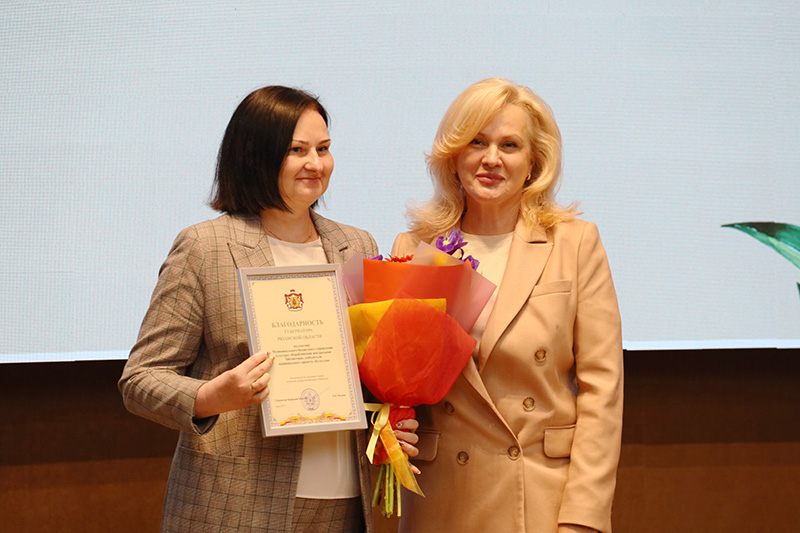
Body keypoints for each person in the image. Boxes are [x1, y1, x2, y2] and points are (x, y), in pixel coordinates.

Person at [119, 85, 418, 533]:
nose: (315, 164)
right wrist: (211, 396)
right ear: (256, 155)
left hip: (344, 500)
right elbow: (140, 379)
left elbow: (369, 368)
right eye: (297, 150)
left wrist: (389, 422)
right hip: (236, 503)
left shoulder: (355, 245)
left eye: (323, 149)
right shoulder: (205, 247)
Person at [391, 78, 623, 533]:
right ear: (453, 155)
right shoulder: (416, 247)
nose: (491, 159)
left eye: (509, 145)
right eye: (476, 142)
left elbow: (603, 391)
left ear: (534, 161)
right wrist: (391, 424)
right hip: (444, 501)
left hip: (542, 501)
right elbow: (397, 384)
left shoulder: (575, 243)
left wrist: (584, 518)